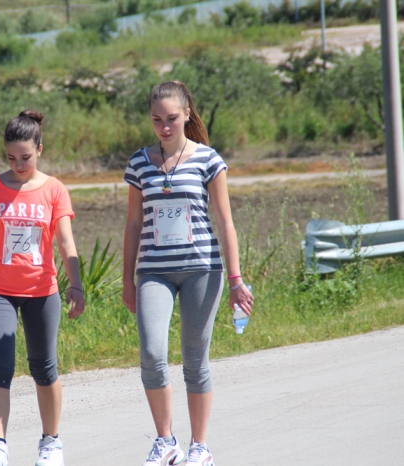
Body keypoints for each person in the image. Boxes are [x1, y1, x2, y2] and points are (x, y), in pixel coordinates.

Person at [122, 81, 254, 466]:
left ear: (187, 116)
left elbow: (225, 221)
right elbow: (132, 224)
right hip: (153, 273)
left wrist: (235, 279)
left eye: (172, 119)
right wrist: (128, 279)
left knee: (195, 358)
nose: (165, 127)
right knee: (151, 352)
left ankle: (200, 446)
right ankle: (166, 442)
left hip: (203, 269)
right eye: (157, 120)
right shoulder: (139, 163)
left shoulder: (208, 160)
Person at [0, 110, 85, 466]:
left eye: (25, 157)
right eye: (11, 158)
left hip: (42, 291)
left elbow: (66, 244)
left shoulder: (55, 190)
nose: (18, 164)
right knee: (0, 365)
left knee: (44, 366)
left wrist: (76, 285)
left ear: (39, 149)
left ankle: (51, 443)